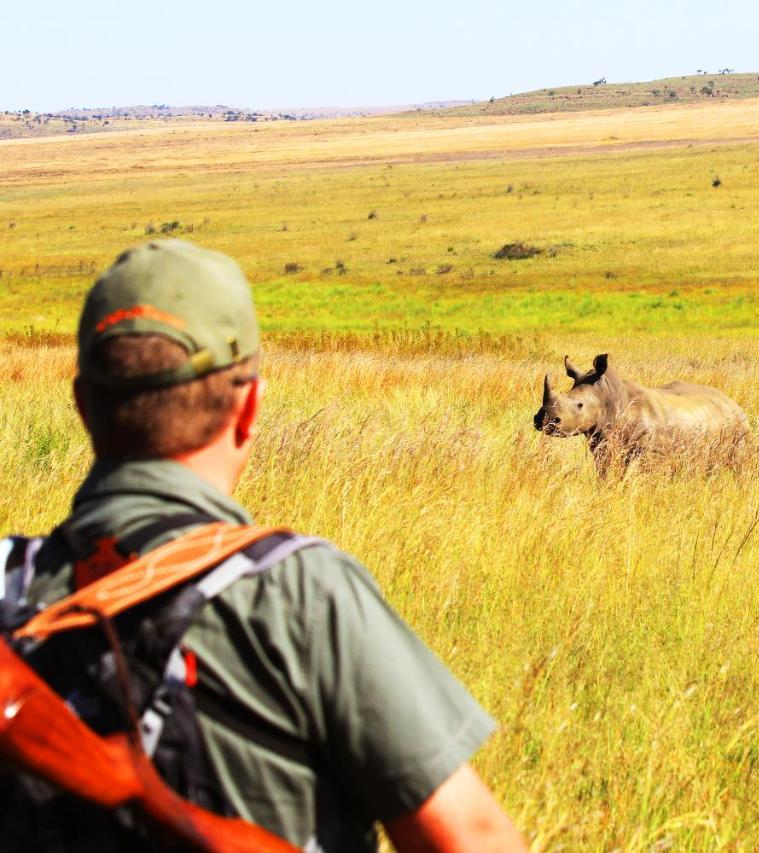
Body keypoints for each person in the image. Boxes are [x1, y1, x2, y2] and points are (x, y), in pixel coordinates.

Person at [8, 239, 525, 851]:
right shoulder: (302, 593)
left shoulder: (7, 585)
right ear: (249, 406)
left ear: (82, 407)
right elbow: (471, 838)